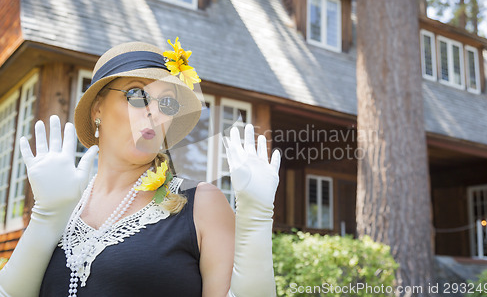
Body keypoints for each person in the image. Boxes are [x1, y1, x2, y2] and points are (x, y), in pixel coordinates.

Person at [0, 40, 280, 297]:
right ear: (98, 109)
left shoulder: (202, 203)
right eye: (136, 94)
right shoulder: (62, 200)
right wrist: (46, 215)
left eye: (167, 103)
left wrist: (256, 217)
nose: (154, 112)